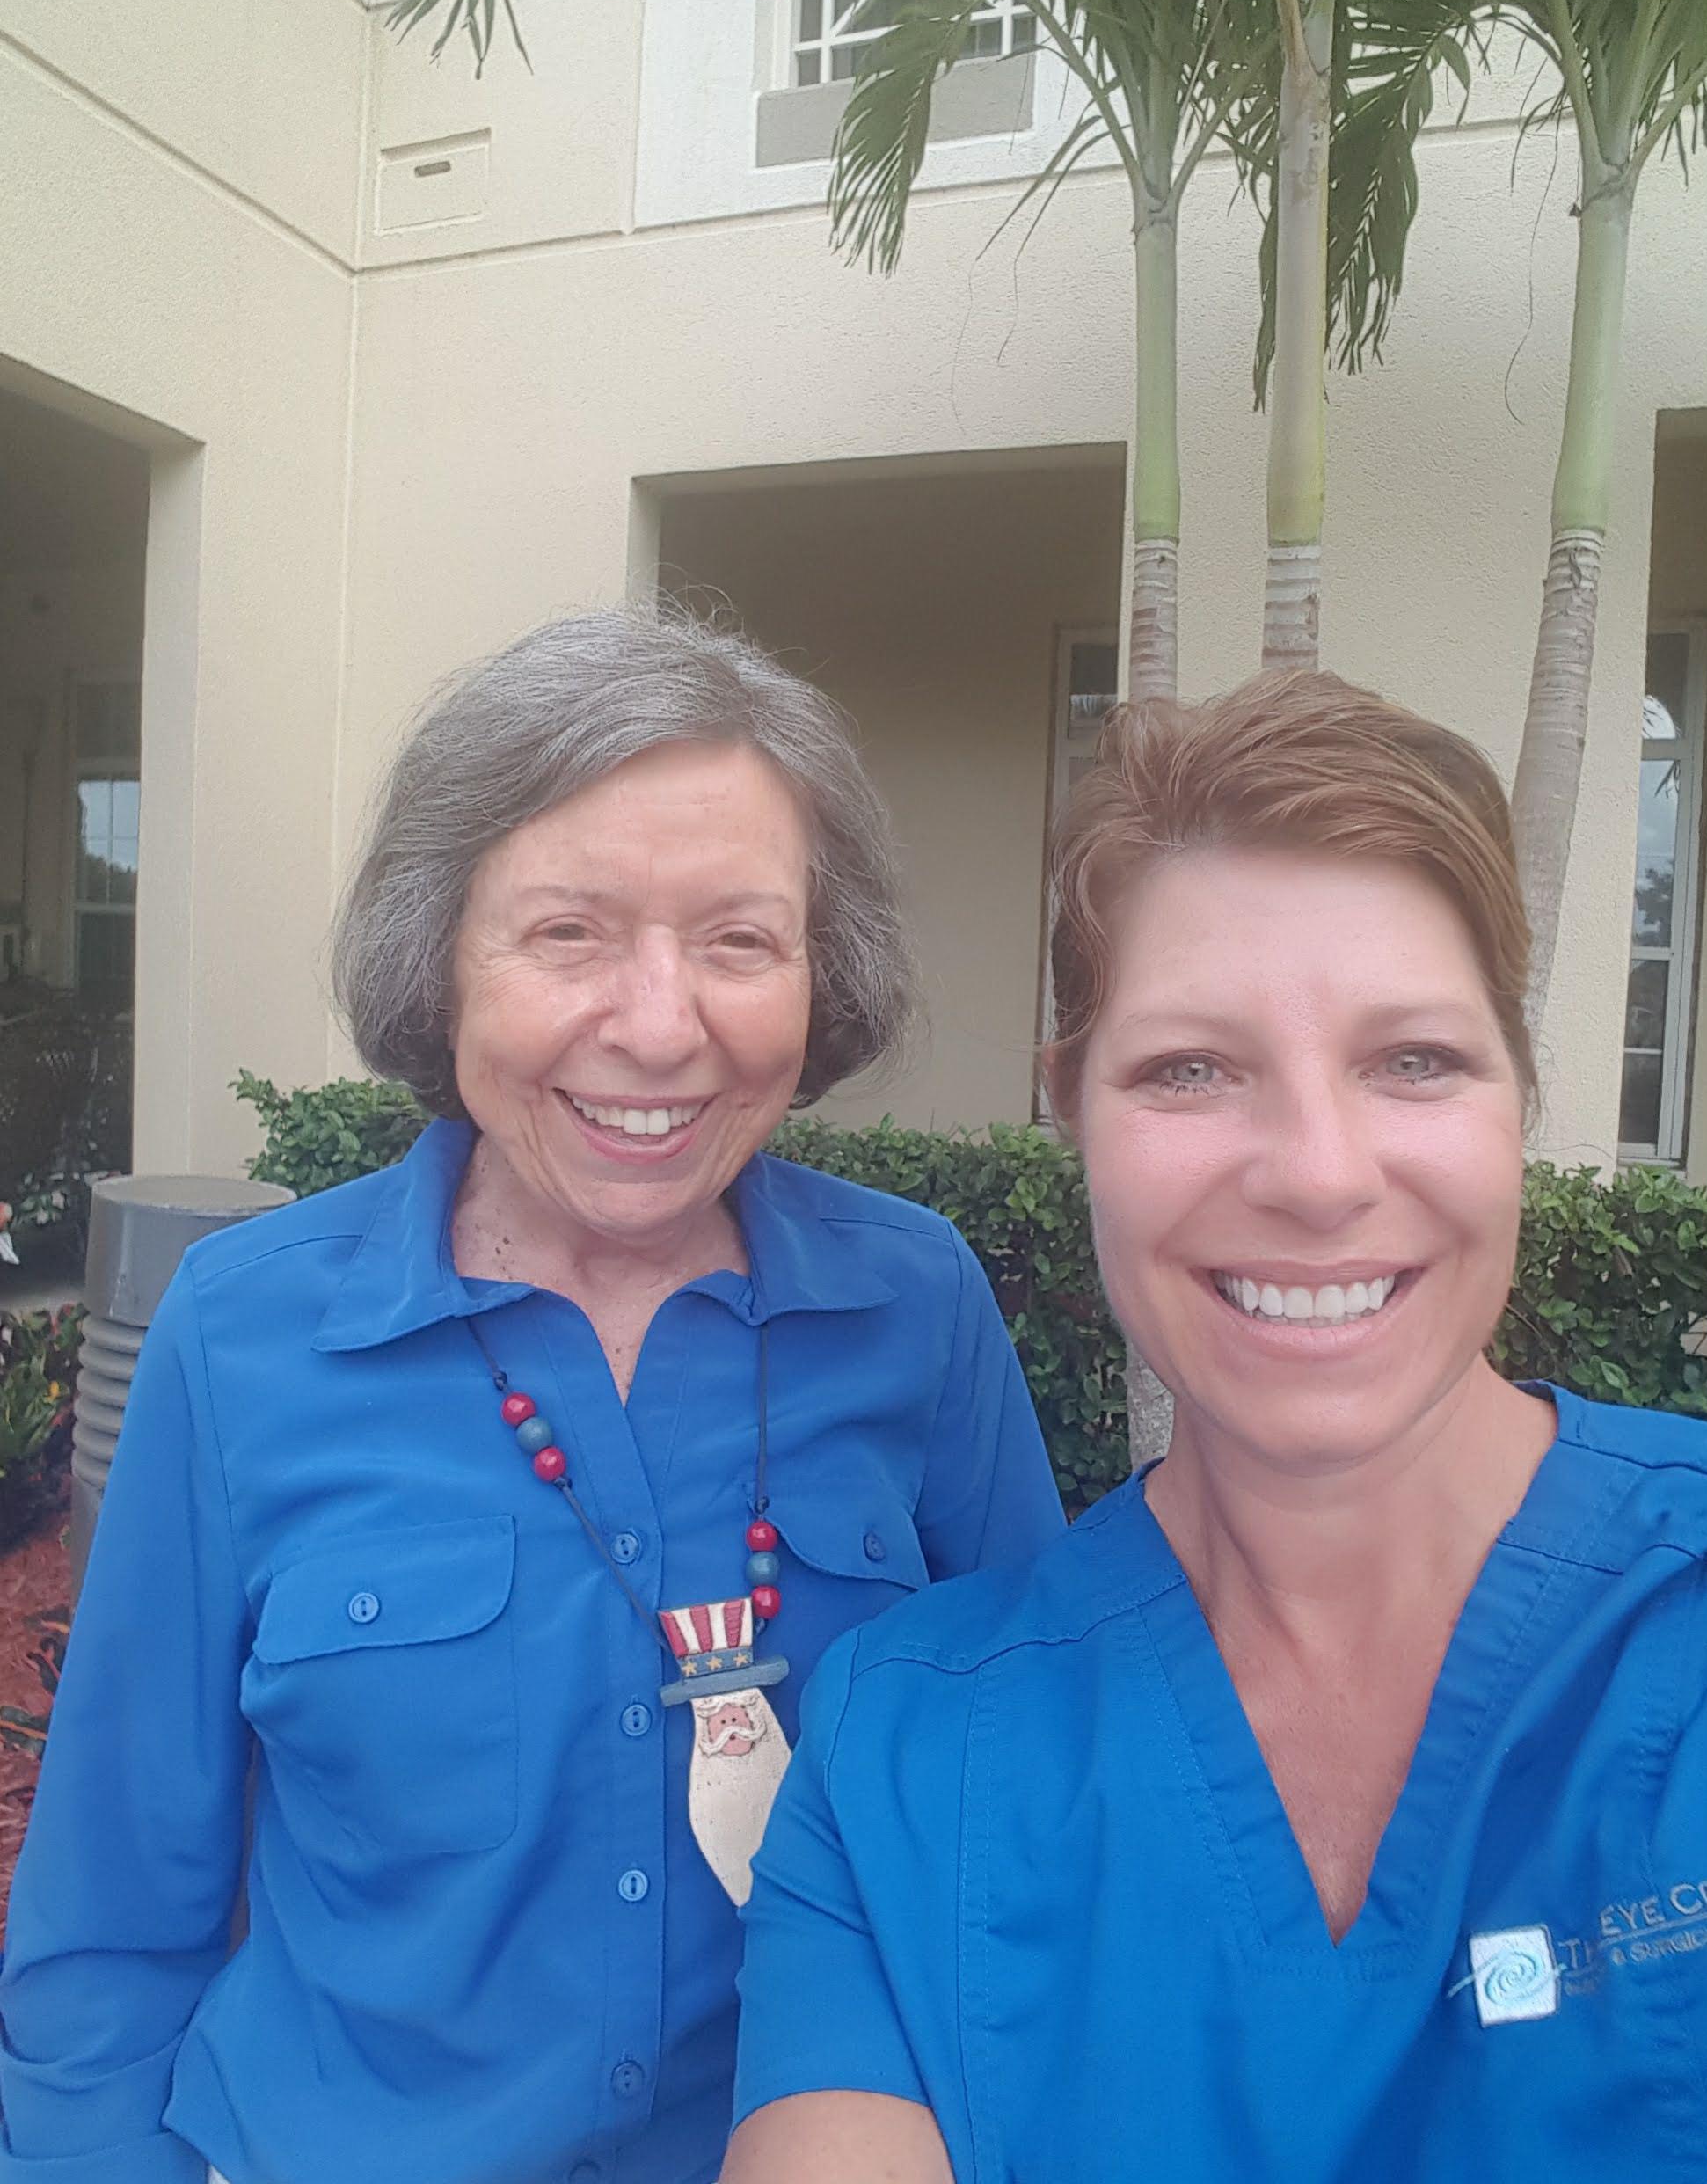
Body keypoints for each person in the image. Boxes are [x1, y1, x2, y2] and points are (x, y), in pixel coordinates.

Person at [0, 610, 1064, 2184]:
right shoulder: (245, 1339)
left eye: (738, 939)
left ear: (819, 976)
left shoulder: (916, 1307)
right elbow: (110, 1922)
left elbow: (1027, 1804)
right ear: (438, 963)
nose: (657, 1024)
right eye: (567, 932)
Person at [725, 669, 1707, 2184]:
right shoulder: (906, 1756)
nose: (1319, 1174)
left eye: (1415, 1061)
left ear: (1520, 1098)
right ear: (1074, 1113)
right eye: (1191, 1068)